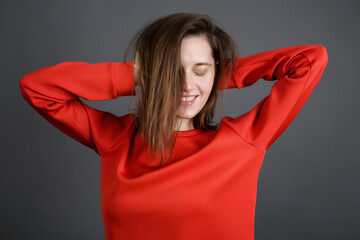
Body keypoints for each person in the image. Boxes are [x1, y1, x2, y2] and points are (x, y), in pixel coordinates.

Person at [19, 12, 328, 240]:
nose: (186, 85)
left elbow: (310, 60)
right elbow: (37, 87)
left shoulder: (243, 140)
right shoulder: (117, 139)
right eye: (172, 71)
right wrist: (137, 75)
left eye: (200, 70)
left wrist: (222, 73)